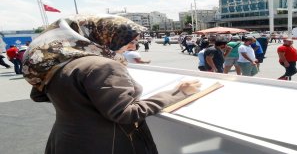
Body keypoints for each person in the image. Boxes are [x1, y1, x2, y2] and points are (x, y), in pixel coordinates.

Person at [22, 14, 201, 154]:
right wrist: (179, 92)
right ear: (104, 36)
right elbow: (126, 113)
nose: (132, 47)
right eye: (129, 41)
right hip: (106, 144)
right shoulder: (102, 65)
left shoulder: (59, 63)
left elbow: (38, 95)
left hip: (65, 141)